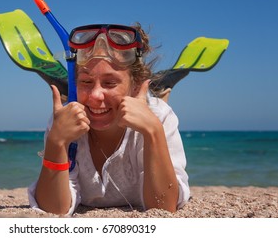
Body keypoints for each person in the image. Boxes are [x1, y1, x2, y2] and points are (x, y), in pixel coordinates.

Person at [28, 23, 190, 216]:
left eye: (110, 83)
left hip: (145, 104)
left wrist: (153, 132)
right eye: (86, 81)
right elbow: (54, 210)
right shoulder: (65, 120)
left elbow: (163, 208)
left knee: (156, 102)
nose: (96, 94)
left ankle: (158, 90)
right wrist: (56, 143)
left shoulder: (159, 116)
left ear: (135, 85)